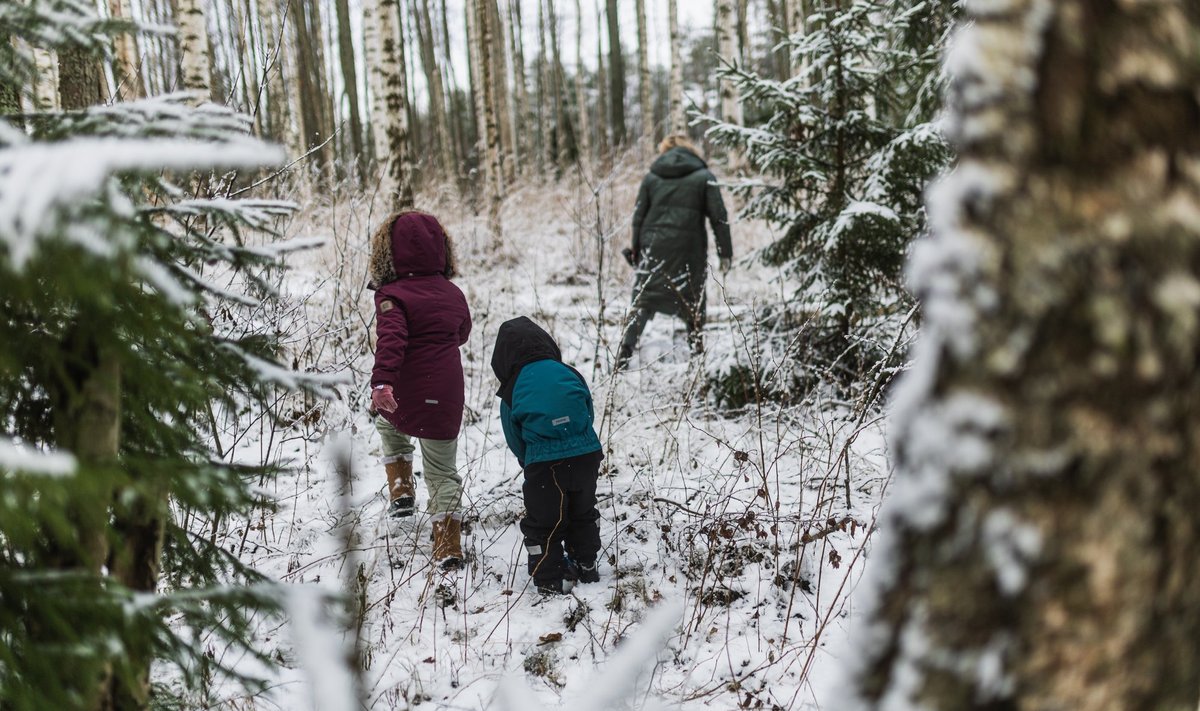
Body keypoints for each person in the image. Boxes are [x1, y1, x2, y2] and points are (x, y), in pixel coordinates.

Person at [369, 210, 472, 569]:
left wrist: (383, 380)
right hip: (446, 393)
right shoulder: (453, 293)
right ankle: (448, 546)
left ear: (387, 253)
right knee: (442, 470)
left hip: (407, 392)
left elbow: (391, 339)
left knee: (388, 423)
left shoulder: (392, 295)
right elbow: (462, 334)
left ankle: (401, 491)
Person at [491, 317, 604, 595]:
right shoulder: (568, 371)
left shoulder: (513, 386)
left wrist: (529, 458)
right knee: (583, 511)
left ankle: (549, 577)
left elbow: (513, 435)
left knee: (543, 522)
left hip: (544, 463)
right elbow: (587, 410)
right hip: (586, 454)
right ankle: (586, 562)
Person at [617, 135, 733, 370]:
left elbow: (638, 218)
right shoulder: (704, 177)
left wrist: (637, 252)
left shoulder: (652, 177)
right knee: (692, 300)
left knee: (643, 301)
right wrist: (725, 253)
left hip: (654, 247)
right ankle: (697, 358)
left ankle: (623, 357)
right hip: (688, 250)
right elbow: (719, 218)